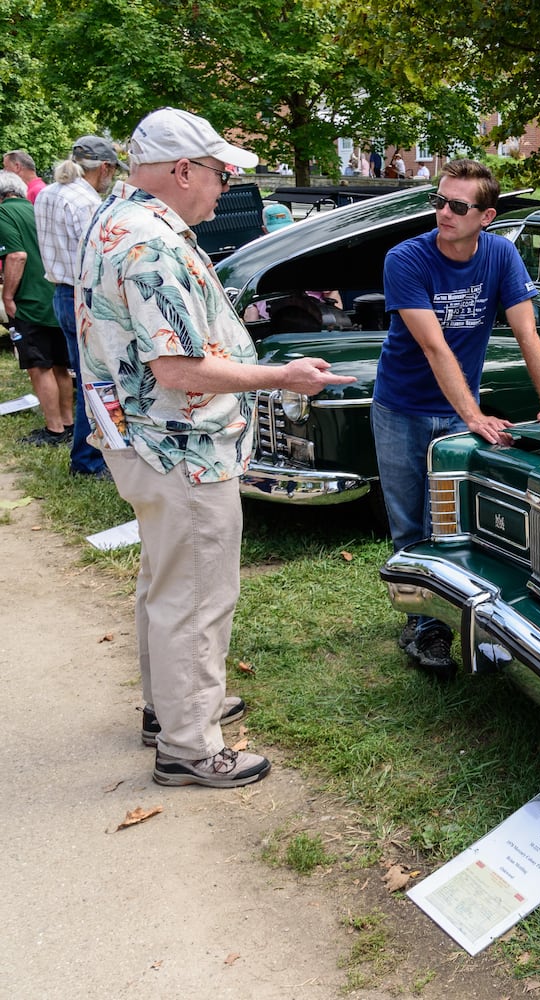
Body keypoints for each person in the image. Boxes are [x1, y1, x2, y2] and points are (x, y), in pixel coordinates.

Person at [76, 107, 355, 788]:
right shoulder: (149, 244)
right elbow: (177, 370)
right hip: (179, 446)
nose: (224, 185)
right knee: (197, 595)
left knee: (164, 582)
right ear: (182, 170)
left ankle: (167, 709)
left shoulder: (123, 219)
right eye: (220, 172)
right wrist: (281, 376)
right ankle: (190, 746)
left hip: (147, 440)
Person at [373, 158, 540, 676]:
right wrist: (474, 415)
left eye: (457, 206)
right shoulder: (406, 258)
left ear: (486, 216)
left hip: (459, 407)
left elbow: (528, 335)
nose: (443, 212)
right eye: (439, 201)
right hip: (402, 407)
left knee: (463, 520)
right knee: (411, 523)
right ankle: (424, 627)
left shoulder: (503, 255)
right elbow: (435, 346)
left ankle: (474, 614)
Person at [33, 135, 122, 477]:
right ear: (103, 167)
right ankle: (88, 460)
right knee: (94, 380)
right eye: (112, 170)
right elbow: (97, 258)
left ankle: (90, 455)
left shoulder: (49, 193)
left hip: (60, 292)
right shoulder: (86, 202)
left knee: (84, 376)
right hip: (83, 295)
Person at [0, 170, 74, 446]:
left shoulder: (4, 214)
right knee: (59, 365)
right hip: (53, 295)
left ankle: (54, 430)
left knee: (38, 366)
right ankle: (67, 423)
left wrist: (8, 297)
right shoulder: (35, 208)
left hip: (29, 302)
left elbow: (17, 255)